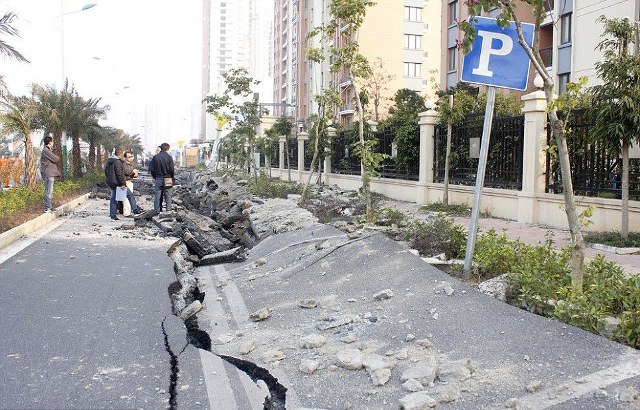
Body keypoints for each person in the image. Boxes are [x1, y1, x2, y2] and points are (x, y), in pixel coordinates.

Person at [105, 148, 141, 221]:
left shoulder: (109, 161)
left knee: (113, 199)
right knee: (130, 195)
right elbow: (119, 173)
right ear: (120, 154)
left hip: (111, 182)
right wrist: (123, 183)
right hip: (118, 183)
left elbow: (106, 171)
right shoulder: (118, 162)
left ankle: (113, 216)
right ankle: (135, 211)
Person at [149, 142, 175, 213]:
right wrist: (172, 177)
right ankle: (168, 210)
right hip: (168, 178)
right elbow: (171, 169)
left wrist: (155, 177)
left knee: (157, 195)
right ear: (168, 149)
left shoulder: (155, 157)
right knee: (168, 195)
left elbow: (152, 169)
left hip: (159, 178)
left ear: (161, 148)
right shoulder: (169, 157)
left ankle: (157, 211)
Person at [40, 136, 61, 213]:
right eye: (52, 141)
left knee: (48, 191)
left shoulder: (47, 150)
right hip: (48, 174)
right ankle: (47, 208)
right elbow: (56, 159)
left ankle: (48, 207)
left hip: (49, 174)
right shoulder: (46, 151)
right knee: (48, 191)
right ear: (50, 142)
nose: (53, 143)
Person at [122, 151, 142, 217]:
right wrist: (133, 171)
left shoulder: (130, 164)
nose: (131, 158)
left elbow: (131, 174)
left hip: (130, 181)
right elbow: (126, 172)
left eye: (131, 156)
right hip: (125, 182)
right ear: (125, 158)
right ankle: (127, 213)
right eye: (129, 157)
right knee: (126, 198)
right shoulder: (124, 164)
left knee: (127, 197)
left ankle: (128, 211)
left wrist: (135, 173)